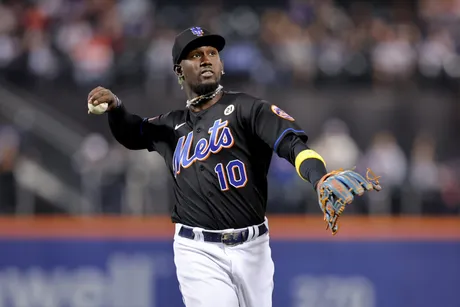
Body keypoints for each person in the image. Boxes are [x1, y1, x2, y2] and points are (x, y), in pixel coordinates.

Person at [87, 26, 381, 307]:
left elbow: (292, 145)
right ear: (179, 70)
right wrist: (116, 107)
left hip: (253, 248)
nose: (206, 59)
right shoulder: (170, 126)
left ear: (222, 65)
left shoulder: (248, 109)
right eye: (195, 55)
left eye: (212, 53)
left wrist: (319, 178)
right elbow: (132, 132)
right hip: (197, 249)